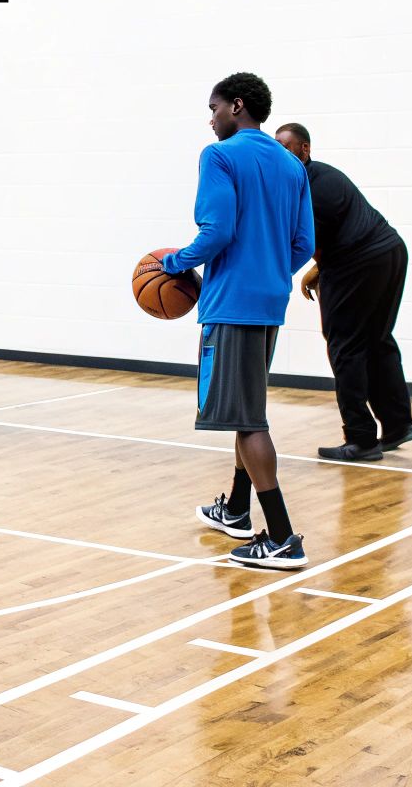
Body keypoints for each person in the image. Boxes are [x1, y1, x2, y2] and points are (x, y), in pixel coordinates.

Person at [161, 73, 315, 570]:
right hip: (269, 302)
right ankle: (236, 509)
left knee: (249, 419)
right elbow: (304, 245)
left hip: (232, 305)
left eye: (214, 108)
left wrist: (176, 263)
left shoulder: (220, 156)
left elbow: (217, 230)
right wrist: (269, 273)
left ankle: (283, 536)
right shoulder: (291, 165)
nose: (210, 119)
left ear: (237, 106)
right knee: (244, 407)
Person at [274, 122, 412, 462]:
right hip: (387, 252)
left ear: (305, 150)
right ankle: (399, 424)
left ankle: (361, 438)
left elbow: (305, 242)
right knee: (376, 340)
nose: (279, 153)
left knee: (344, 345)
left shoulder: (310, 186)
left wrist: (301, 271)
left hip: (361, 261)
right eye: (275, 147)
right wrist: (319, 268)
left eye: (286, 146)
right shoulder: (317, 177)